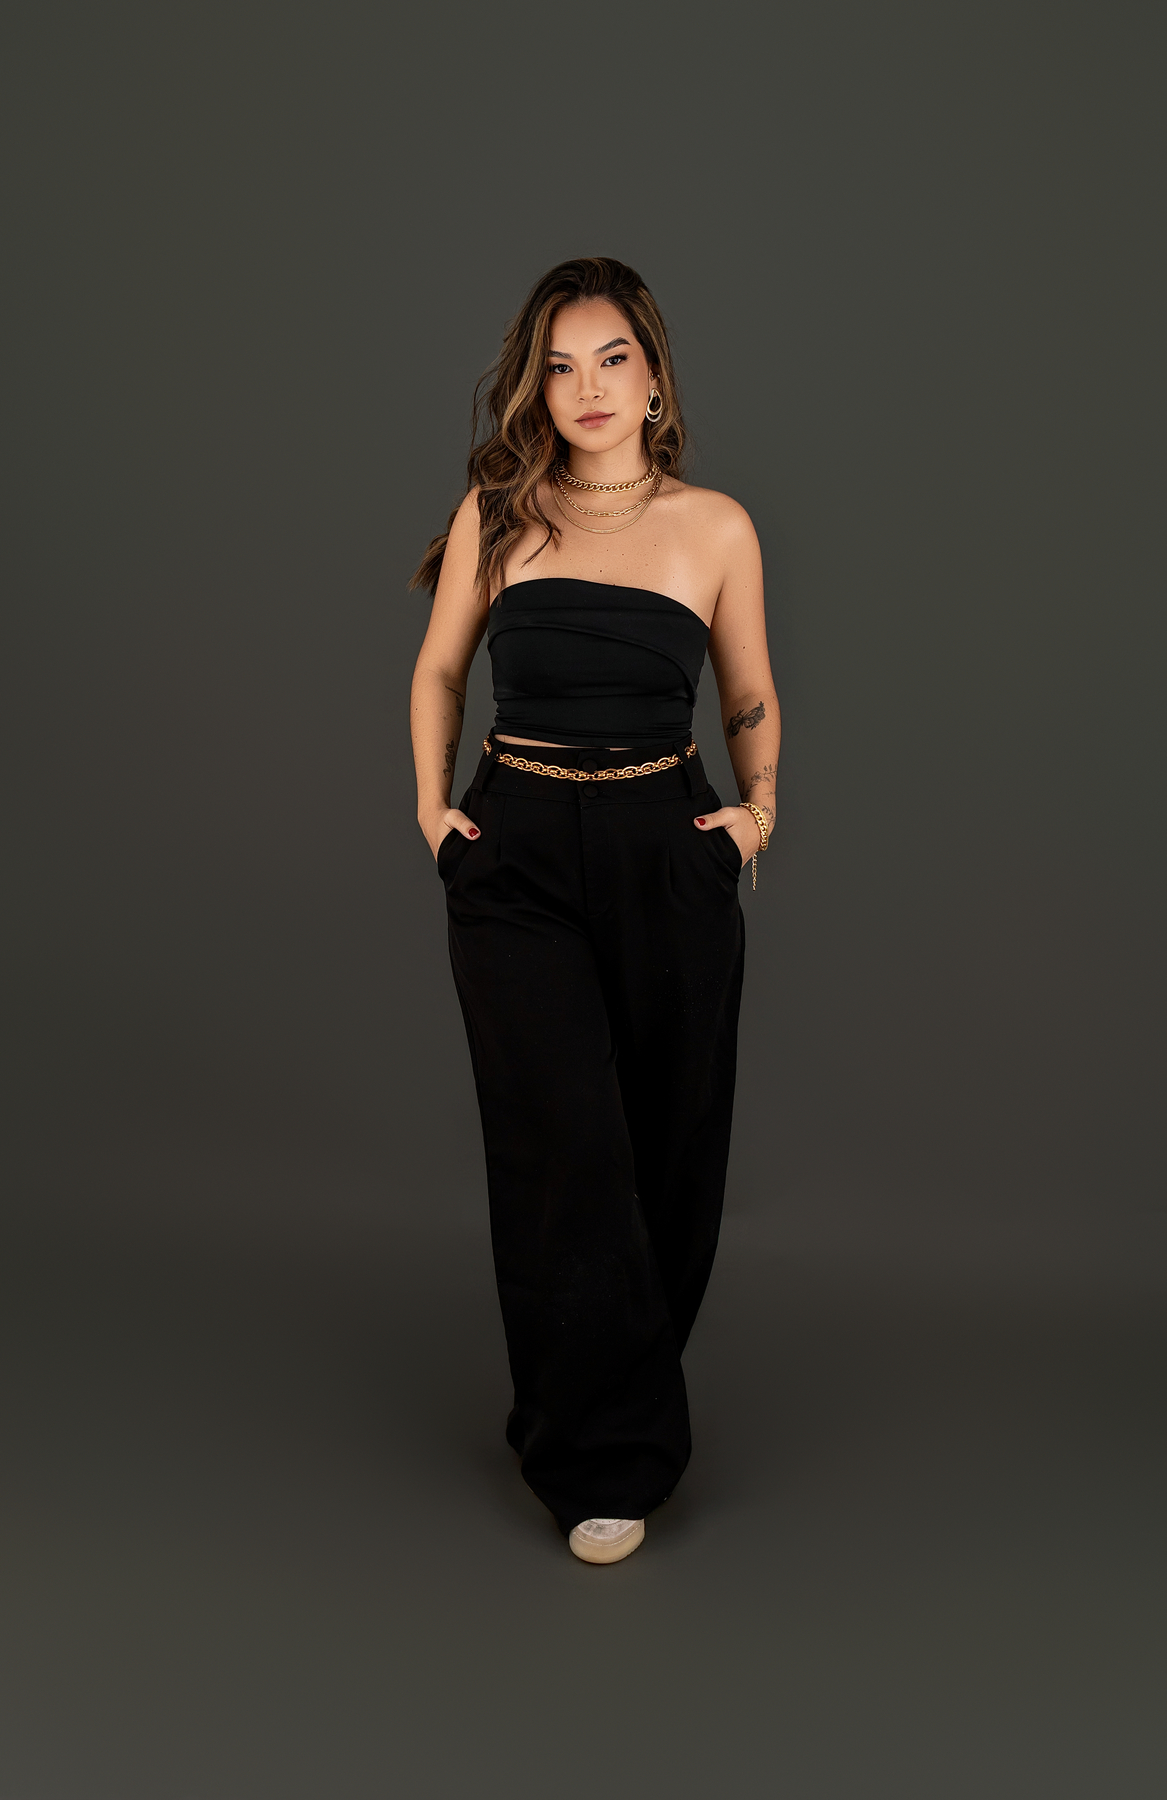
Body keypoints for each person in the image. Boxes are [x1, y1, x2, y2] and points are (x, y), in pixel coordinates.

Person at [409, 257, 779, 1565]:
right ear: (536, 387)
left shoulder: (715, 528)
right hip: (516, 853)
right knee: (559, 1142)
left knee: (670, 1146)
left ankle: (605, 1379)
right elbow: (440, 669)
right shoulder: (498, 513)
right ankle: (603, 1456)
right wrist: (431, 811)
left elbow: (750, 693)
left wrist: (759, 812)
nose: (587, 388)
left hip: (664, 847)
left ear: (655, 374)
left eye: (612, 358)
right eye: (559, 366)